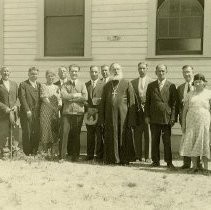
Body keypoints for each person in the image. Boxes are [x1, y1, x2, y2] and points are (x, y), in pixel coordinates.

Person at [99, 63, 136, 164]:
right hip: (109, 117)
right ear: (111, 71)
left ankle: (124, 159)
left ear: (121, 70)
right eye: (114, 69)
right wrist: (101, 119)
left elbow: (132, 102)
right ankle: (111, 158)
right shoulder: (107, 86)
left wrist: (131, 120)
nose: (116, 71)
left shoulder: (127, 83)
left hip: (123, 117)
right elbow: (102, 104)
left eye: (118, 69)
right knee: (111, 136)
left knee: (123, 137)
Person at [145, 64, 177, 169]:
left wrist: (173, 118)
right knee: (155, 140)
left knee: (167, 141)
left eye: (163, 71)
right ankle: (155, 161)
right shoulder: (151, 86)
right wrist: (147, 116)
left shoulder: (171, 86)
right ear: (156, 72)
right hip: (154, 118)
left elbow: (174, 104)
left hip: (166, 118)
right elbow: (147, 103)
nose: (161, 73)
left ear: (166, 72)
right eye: (159, 71)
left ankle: (169, 162)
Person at [180, 73, 211, 173]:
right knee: (192, 142)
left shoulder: (209, 93)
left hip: (204, 122)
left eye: (200, 81)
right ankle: (194, 167)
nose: (198, 83)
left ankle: (206, 167)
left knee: (204, 142)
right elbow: (184, 110)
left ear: (204, 82)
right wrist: (183, 124)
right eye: (196, 81)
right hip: (191, 122)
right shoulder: (190, 94)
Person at [60, 64, 88, 161]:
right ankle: (62, 156)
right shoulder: (64, 85)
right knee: (64, 134)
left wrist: (71, 97)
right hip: (67, 113)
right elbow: (64, 96)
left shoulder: (82, 84)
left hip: (78, 113)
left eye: (76, 71)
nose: (74, 73)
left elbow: (85, 97)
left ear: (78, 72)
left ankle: (75, 156)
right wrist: (77, 95)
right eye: (72, 71)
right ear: (69, 72)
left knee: (76, 134)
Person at [176, 65, 201, 169]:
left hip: (196, 118)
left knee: (196, 139)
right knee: (186, 139)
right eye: (184, 72)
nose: (186, 74)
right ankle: (186, 163)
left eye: (188, 72)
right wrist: (180, 119)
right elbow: (178, 106)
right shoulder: (180, 88)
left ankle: (197, 164)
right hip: (185, 118)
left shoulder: (198, 86)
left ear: (192, 72)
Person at [131, 62, 153, 162]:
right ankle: (138, 155)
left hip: (148, 112)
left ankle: (148, 156)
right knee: (137, 134)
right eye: (140, 68)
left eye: (144, 68)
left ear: (147, 69)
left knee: (148, 133)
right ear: (138, 69)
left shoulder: (152, 82)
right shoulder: (133, 82)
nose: (142, 70)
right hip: (137, 112)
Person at [18, 67, 41, 156]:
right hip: (27, 112)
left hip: (37, 113)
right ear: (28, 74)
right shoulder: (23, 84)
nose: (34, 75)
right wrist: (27, 110)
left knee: (36, 131)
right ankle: (27, 152)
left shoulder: (39, 85)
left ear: (38, 75)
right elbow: (22, 98)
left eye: (35, 74)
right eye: (32, 74)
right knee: (27, 132)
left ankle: (35, 151)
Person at [40, 70, 62, 156]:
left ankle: (54, 151)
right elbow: (44, 99)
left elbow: (60, 98)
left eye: (52, 76)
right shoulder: (43, 86)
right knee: (45, 129)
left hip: (55, 111)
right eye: (49, 76)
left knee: (54, 130)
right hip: (46, 110)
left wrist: (59, 107)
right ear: (46, 77)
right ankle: (45, 151)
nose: (51, 78)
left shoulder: (57, 87)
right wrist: (53, 108)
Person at [85, 65, 104, 161]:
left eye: (96, 72)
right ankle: (89, 155)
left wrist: (97, 109)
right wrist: (88, 109)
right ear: (90, 72)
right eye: (92, 72)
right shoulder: (86, 84)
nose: (94, 74)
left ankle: (99, 156)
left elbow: (104, 100)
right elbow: (84, 99)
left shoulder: (103, 84)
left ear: (98, 73)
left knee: (99, 135)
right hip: (89, 114)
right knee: (90, 135)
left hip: (99, 113)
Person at [0, 66, 19, 158]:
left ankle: (14, 150)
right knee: (4, 132)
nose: (6, 73)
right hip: (3, 113)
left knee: (14, 132)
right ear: (1, 73)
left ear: (10, 73)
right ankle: (5, 152)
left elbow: (18, 98)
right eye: (4, 71)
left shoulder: (14, 84)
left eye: (7, 71)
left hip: (14, 113)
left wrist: (16, 106)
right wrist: (5, 108)